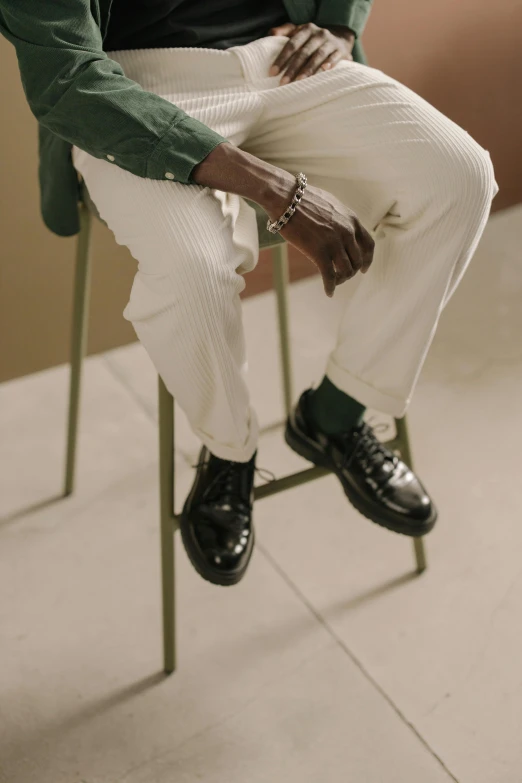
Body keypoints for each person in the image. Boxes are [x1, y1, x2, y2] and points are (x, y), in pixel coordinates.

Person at [1, 1, 498, 587]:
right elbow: (68, 79)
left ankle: (336, 415)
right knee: (193, 267)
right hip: (131, 89)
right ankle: (229, 454)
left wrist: (338, 22)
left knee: (459, 177)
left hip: (283, 56)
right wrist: (276, 188)